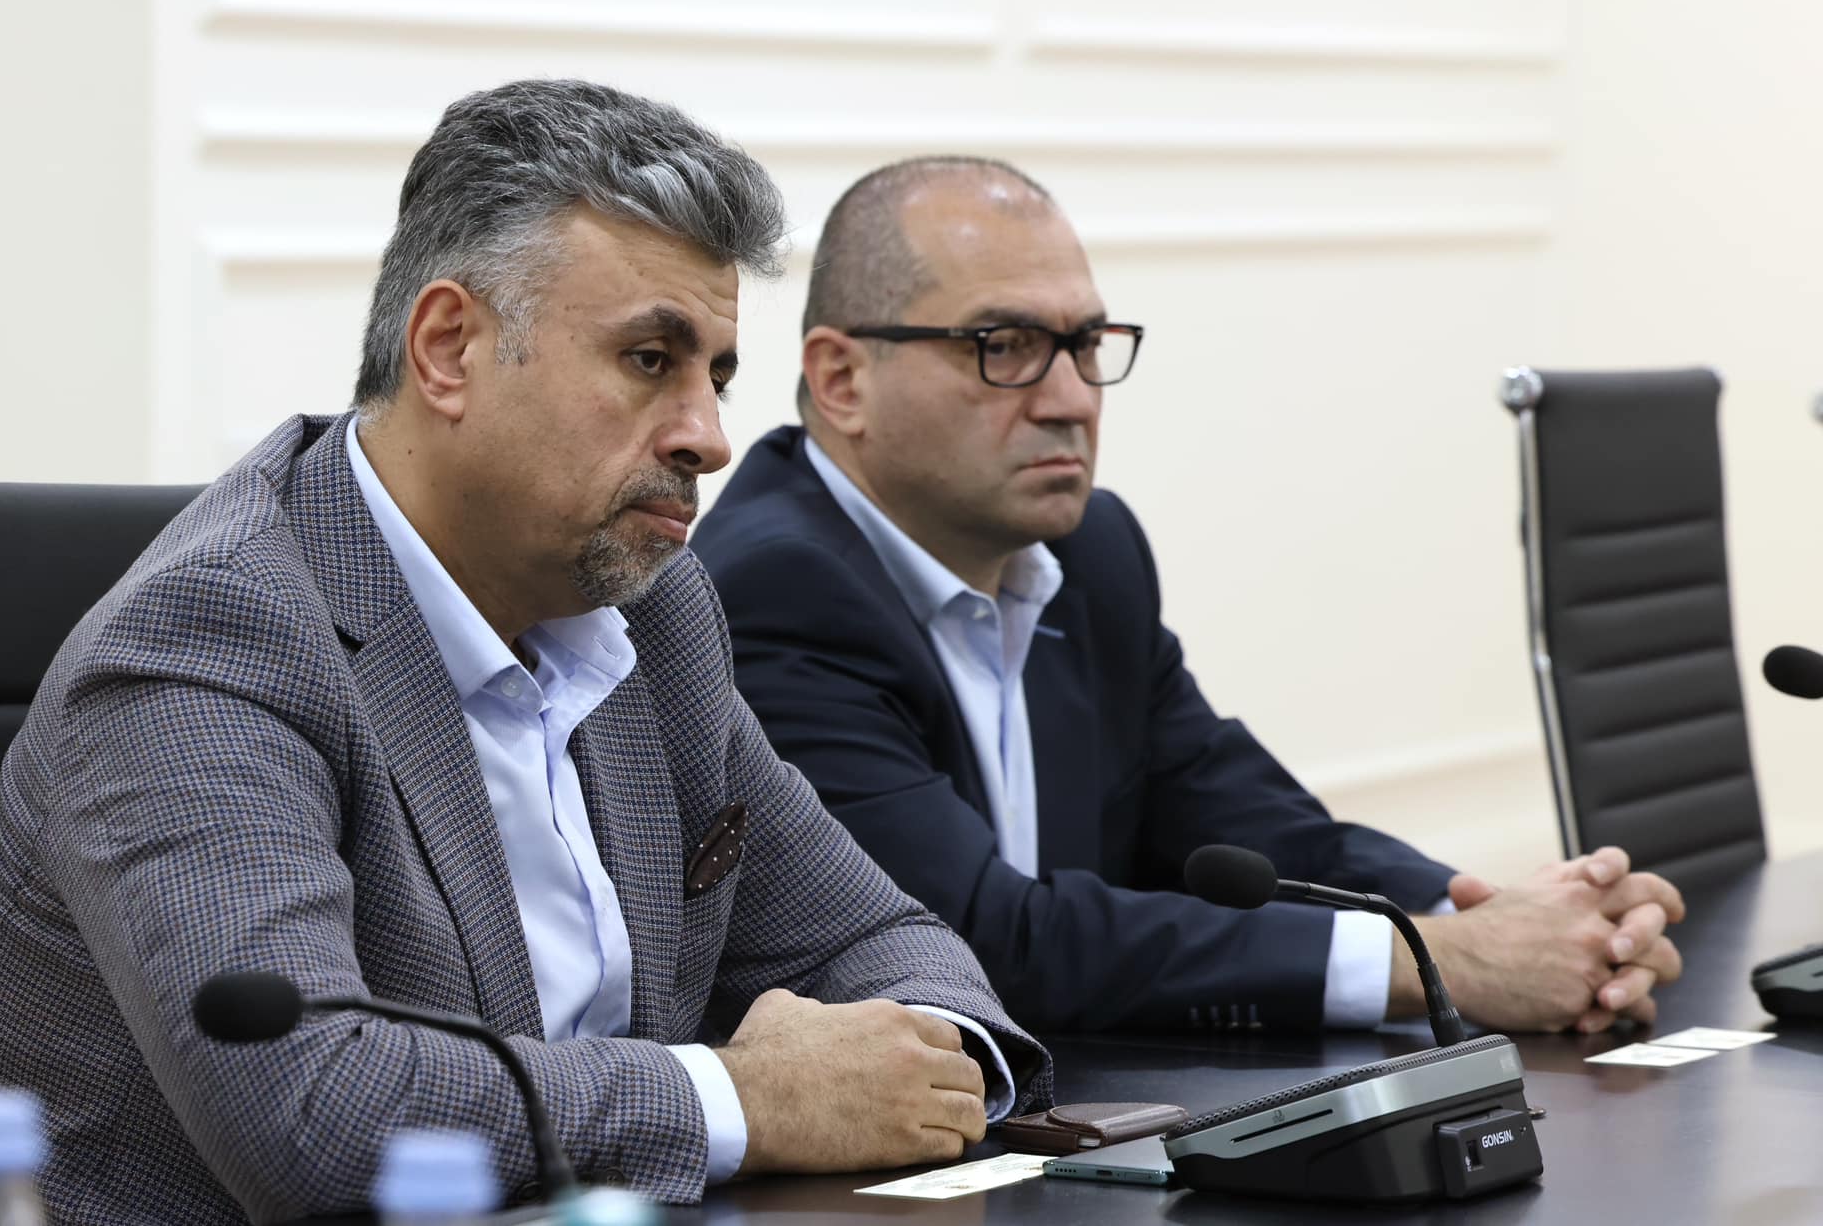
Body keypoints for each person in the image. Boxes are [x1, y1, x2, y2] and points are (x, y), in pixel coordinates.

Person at [0, 88, 1050, 1226]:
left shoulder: (654, 611)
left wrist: (922, 1062)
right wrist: (743, 1097)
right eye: (649, 359)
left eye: (714, 375)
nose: (707, 436)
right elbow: (310, 1108)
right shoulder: (212, 641)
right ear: (448, 348)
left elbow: (877, 937)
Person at [694, 155, 1686, 1039]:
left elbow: (1242, 822)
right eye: (1005, 344)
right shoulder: (775, 589)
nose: (1070, 398)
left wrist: (1499, 919)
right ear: (841, 379)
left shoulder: (1089, 551)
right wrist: (1442, 962)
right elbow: (978, 941)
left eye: (1087, 343)